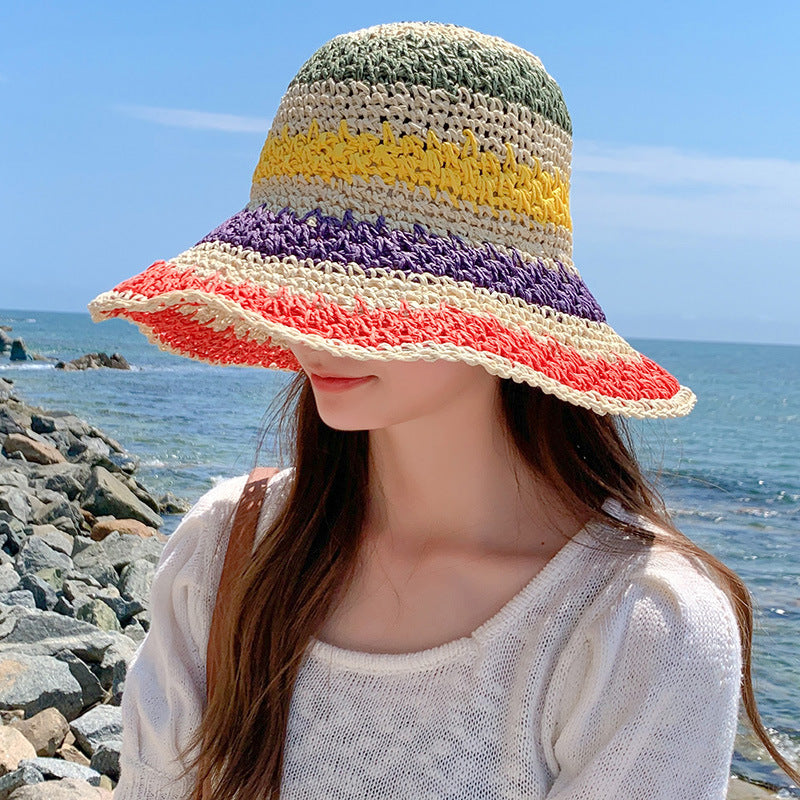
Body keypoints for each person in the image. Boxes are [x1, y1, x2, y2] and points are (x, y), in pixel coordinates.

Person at [87, 21, 798, 800]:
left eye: (371, 291)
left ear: (501, 315)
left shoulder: (640, 626)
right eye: (298, 277)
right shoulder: (226, 555)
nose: (316, 324)